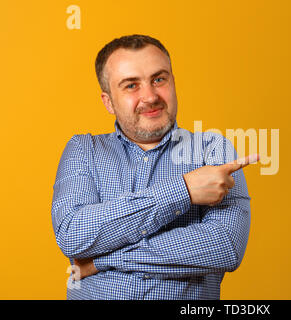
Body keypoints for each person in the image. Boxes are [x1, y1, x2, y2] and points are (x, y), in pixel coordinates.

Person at [51, 34, 257, 300]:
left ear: (173, 81)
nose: (149, 97)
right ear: (108, 102)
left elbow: (225, 246)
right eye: (130, 86)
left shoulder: (213, 149)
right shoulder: (83, 150)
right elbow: (73, 234)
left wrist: (101, 261)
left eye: (159, 79)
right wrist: (184, 190)